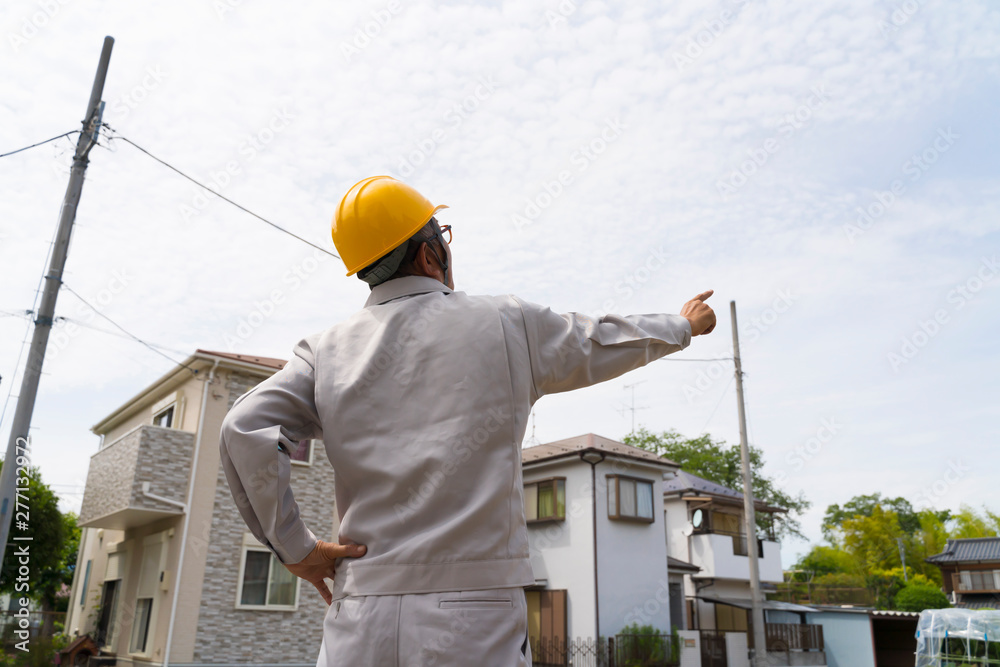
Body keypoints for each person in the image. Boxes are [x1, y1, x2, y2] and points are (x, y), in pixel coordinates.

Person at [219, 175, 716, 666]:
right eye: (442, 236)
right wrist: (684, 325)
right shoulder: (505, 323)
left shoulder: (323, 352)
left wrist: (296, 549)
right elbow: (602, 339)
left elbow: (244, 427)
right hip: (473, 610)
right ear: (428, 252)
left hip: (361, 610)